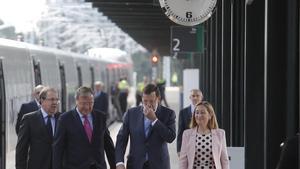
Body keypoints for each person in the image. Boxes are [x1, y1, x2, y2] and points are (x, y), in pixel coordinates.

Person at [115, 83, 176, 169]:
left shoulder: (169, 114)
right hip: (135, 164)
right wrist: (119, 162)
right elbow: (121, 139)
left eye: (151, 101)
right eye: (145, 101)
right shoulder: (131, 114)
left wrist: (154, 120)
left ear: (158, 99)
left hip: (159, 165)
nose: (148, 104)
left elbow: (170, 137)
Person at [53, 86, 115, 169]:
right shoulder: (65, 119)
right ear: (76, 101)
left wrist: (114, 165)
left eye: (91, 103)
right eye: (84, 103)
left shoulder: (100, 117)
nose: (87, 107)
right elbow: (58, 148)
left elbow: (108, 146)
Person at [15, 87, 60, 169]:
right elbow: (21, 150)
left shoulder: (62, 118)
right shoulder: (29, 119)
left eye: (57, 100)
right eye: (52, 99)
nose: (55, 103)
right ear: (42, 100)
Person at [179, 101, 229, 169]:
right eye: (197, 112)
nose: (199, 115)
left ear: (210, 115)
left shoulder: (220, 134)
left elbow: (224, 160)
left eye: (202, 112)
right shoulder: (187, 134)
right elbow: (183, 161)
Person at [177, 89, 203, 155]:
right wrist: (179, 149)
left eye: (197, 96)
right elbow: (180, 131)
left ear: (201, 97)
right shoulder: (183, 112)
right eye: (193, 96)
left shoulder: (207, 111)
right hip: (188, 146)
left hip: (203, 144)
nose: (195, 98)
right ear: (190, 97)